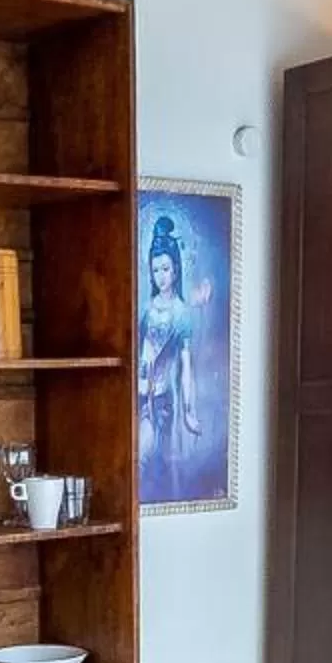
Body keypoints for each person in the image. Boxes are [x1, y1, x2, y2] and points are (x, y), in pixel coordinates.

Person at [138, 212, 207, 503]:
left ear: (175, 270)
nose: (161, 276)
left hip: (163, 400)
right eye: (156, 271)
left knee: (154, 459)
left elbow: (186, 366)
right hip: (140, 396)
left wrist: (190, 410)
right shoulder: (145, 309)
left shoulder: (181, 314)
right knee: (139, 456)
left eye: (166, 269)